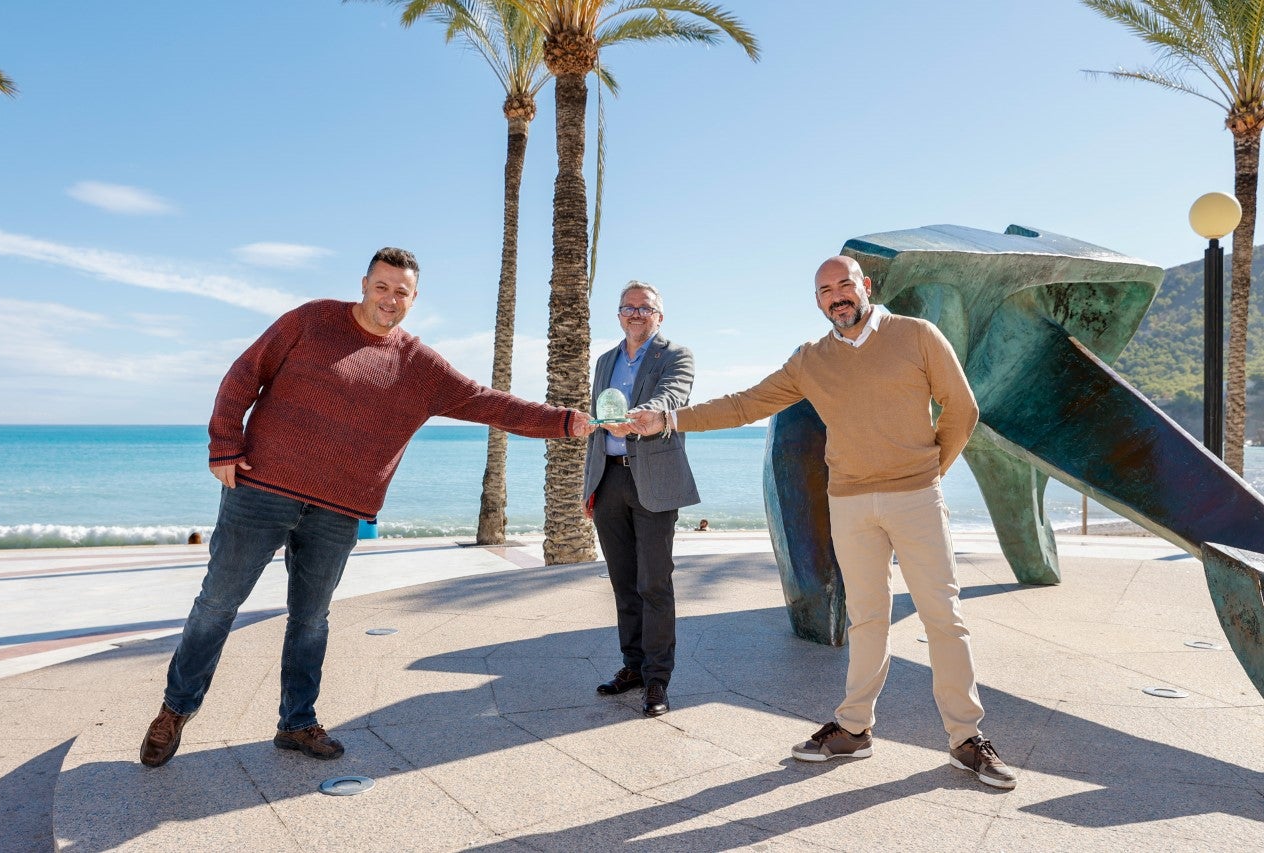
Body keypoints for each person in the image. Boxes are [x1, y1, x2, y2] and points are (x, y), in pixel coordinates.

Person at [140, 247, 591, 768]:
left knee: (311, 618)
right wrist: (224, 444)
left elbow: (487, 401)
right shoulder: (311, 321)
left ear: (414, 299)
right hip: (260, 489)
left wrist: (565, 421)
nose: (390, 299)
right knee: (219, 603)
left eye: (402, 292)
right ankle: (175, 710)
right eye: (382, 287)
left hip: (338, 510)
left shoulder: (419, 366)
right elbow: (244, 373)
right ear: (364, 284)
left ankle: (297, 722)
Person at [629, 255, 1016, 789]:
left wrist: (928, 471)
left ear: (865, 287)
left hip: (916, 498)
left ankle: (965, 738)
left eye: (845, 285)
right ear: (818, 302)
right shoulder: (811, 359)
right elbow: (746, 404)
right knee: (865, 619)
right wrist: (668, 419)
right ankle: (854, 730)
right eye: (825, 290)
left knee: (942, 617)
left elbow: (962, 408)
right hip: (850, 504)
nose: (837, 296)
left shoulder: (917, 335)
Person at [583, 281, 699, 717]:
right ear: (618, 315)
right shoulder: (604, 361)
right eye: (628, 308)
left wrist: (636, 419)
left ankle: (657, 681)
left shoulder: (676, 356)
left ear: (659, 316)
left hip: (653, 482)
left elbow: (672, 398)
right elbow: (598, 425)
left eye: (644, 308)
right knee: (623, 583)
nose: (635, 314)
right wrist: (589, 486)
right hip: (609, 480)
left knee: (654, 583)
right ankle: (632, 667)